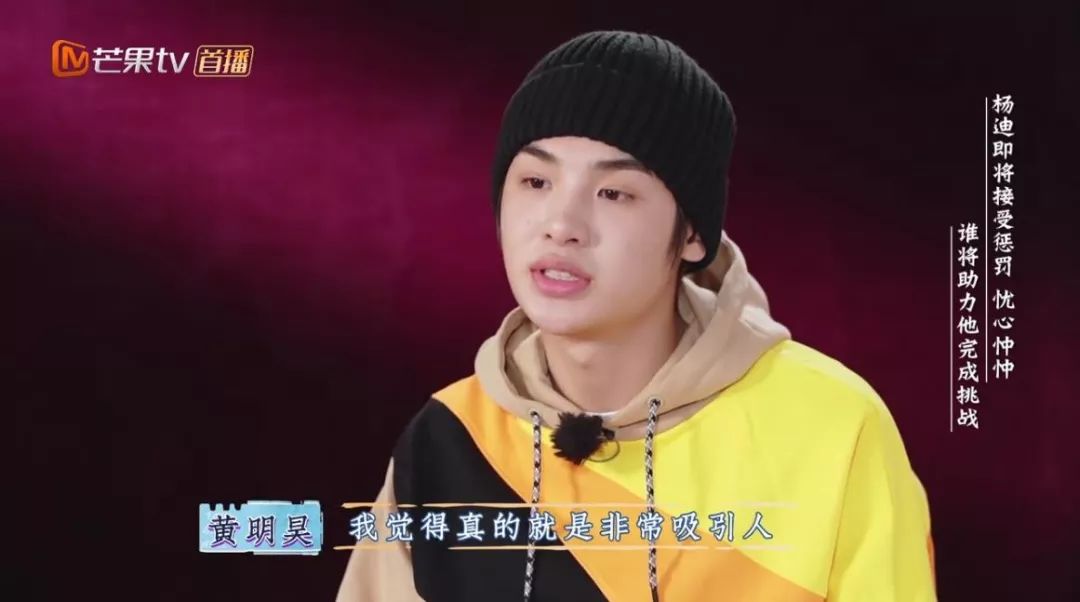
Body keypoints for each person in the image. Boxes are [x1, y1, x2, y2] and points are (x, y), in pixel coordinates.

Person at [336, 29, 936, 602]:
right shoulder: (449, 437)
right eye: (536, 181)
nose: (562, 225)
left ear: (693, 233)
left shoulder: (833, 428)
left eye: (613, 193)